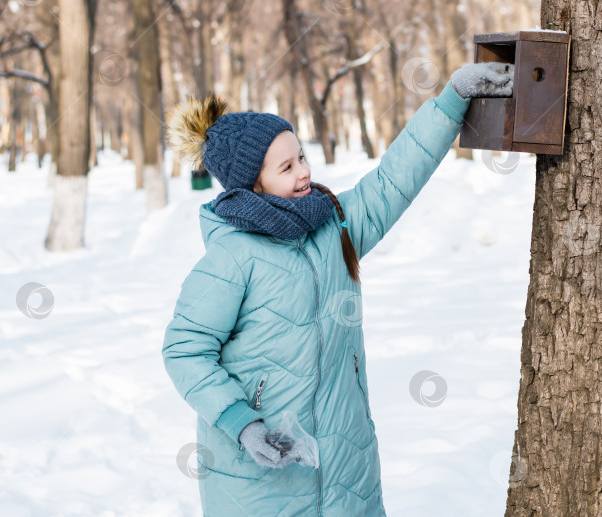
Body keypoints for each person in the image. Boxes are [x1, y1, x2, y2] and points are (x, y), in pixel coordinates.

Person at [162, 62, 514, 516]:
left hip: (346, 457)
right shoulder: (231, 257)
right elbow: (184, 350)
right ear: (252, 185)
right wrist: (241, 423)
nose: (303, 172)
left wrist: (453, 97)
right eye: (286, 167)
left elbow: (394, 180)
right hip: (260, 473)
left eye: (301, 158)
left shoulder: (332, 225)